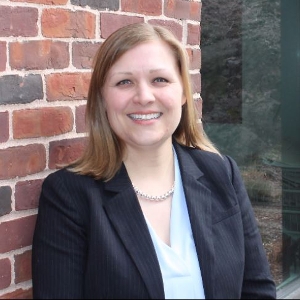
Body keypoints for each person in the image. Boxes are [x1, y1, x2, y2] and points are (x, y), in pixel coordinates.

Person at [31, 22, 277, 299]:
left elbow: (257, 290)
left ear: (183, 92)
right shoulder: (70, 196)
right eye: (124, 82)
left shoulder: (221, 173)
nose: (144, 97)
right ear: (102, 98)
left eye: (160, 79)